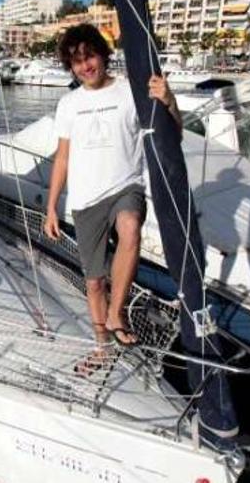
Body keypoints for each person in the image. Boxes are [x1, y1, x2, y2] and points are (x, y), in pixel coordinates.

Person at [43, 24, 181, 374]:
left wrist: (169, 101)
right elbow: (62, 158)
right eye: (76, 61)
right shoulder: (69, 104)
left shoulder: (131, 91)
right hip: (86, 199)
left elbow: (173, 135)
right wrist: (51, 208)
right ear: (70, 67)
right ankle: (102, 348)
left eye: (90, 56)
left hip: (125, 187)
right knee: (93, 282)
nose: (85, 65)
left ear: (103, 54)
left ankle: (117, 313)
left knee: (131, 226)